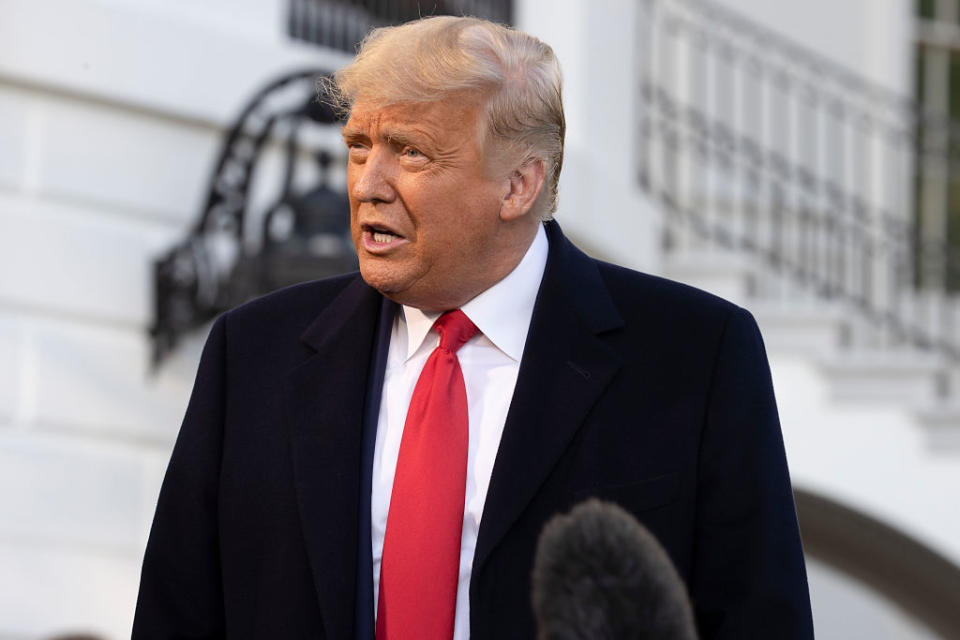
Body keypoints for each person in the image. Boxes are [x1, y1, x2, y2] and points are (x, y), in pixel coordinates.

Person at [133, 15, 813, 640]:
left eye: (411, 152)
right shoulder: (254, 353)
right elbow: (178, 614)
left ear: (518, 185)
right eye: (359, 145)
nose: (368, 183)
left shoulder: (696, 356)